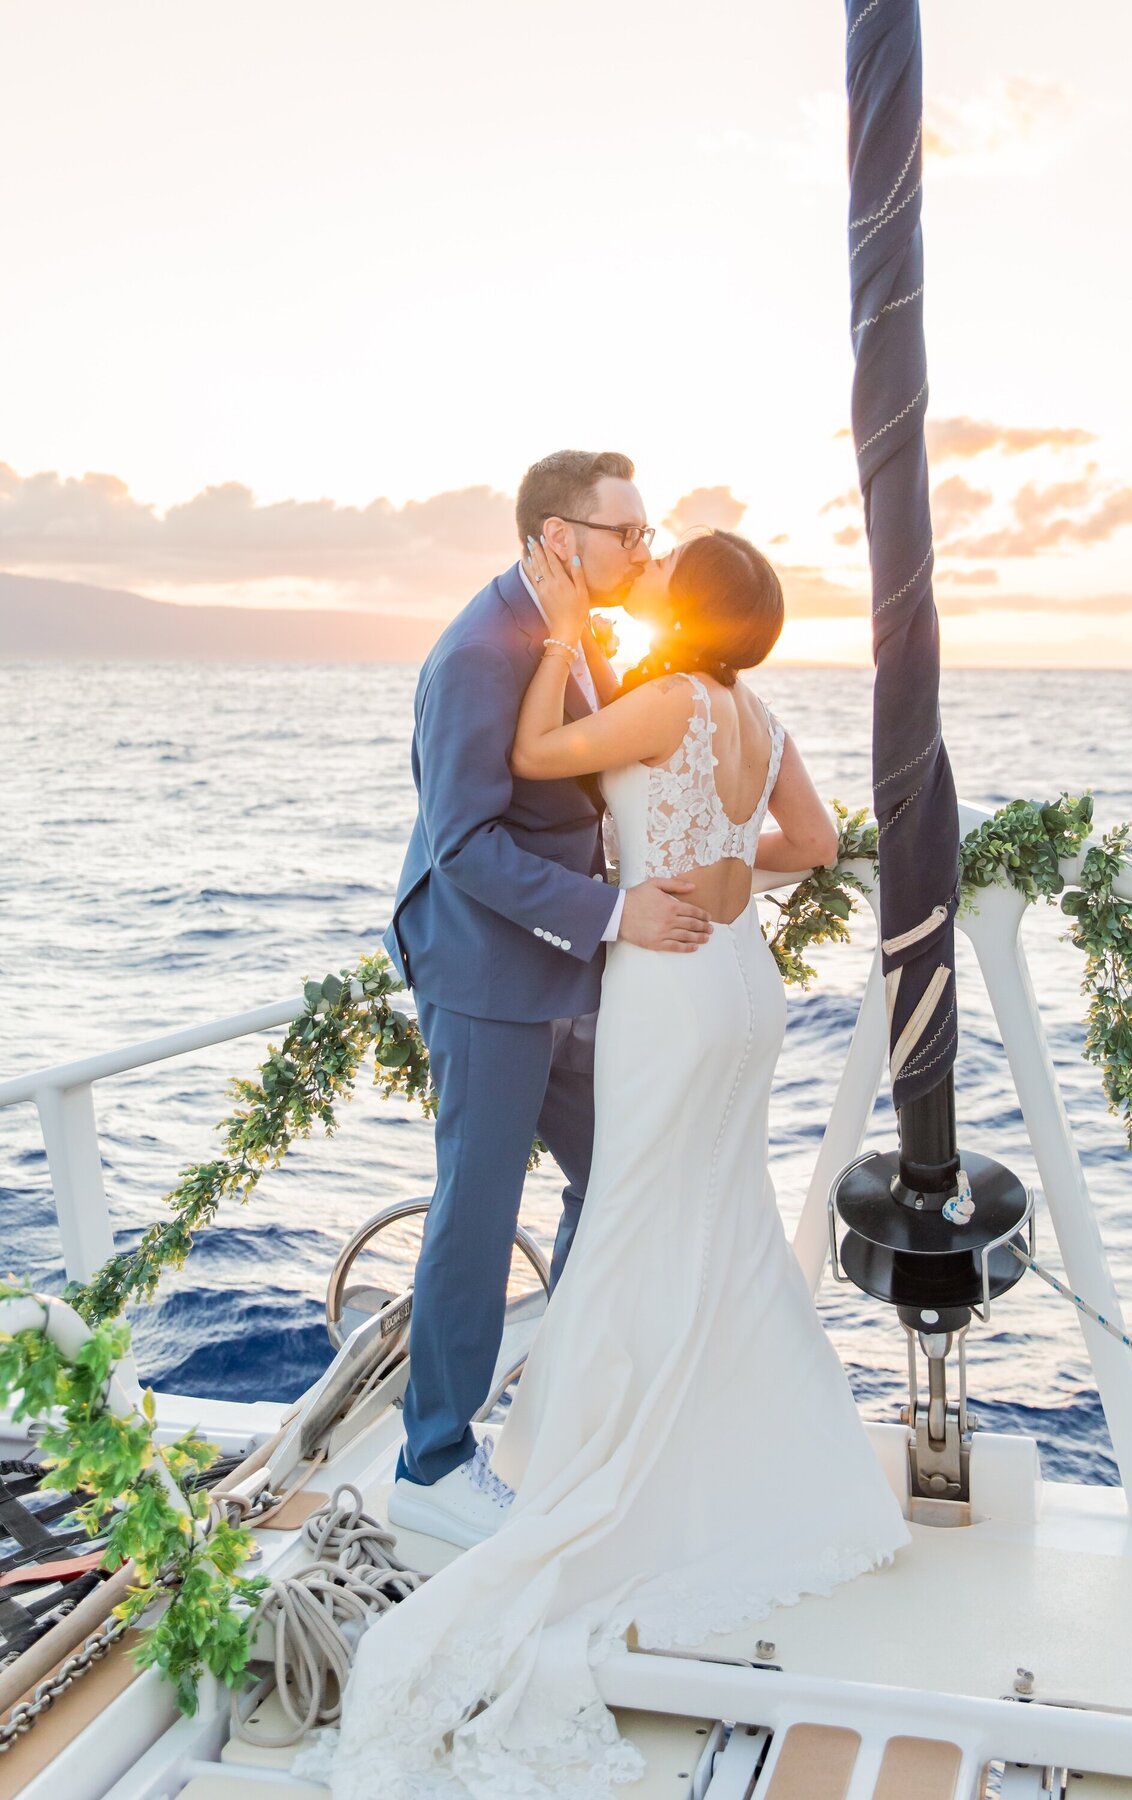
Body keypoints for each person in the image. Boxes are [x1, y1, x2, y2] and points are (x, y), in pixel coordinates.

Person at [322, 526, 911, 1797]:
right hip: (745, 987)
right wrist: (725, 866)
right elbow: (813, 844)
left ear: (686, 608)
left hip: (671, 985)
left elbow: (534, 755)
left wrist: (551, 647)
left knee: (641, 1208)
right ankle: (737, 1450)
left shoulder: (664, 704)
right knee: (718, 1215)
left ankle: (598, 1457)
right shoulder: (760, 721)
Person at [383, 450, 716, 1547]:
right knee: (477, 1215)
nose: (646, 549)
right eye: (630, 532)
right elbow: (464, 844)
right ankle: (433, 1461)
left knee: (615, 1174)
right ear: (560, 538)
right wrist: (617, 913)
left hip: (562, 969)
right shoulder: (479, 654)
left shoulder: (569, 633)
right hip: (485, 972)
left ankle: (559, 1396)